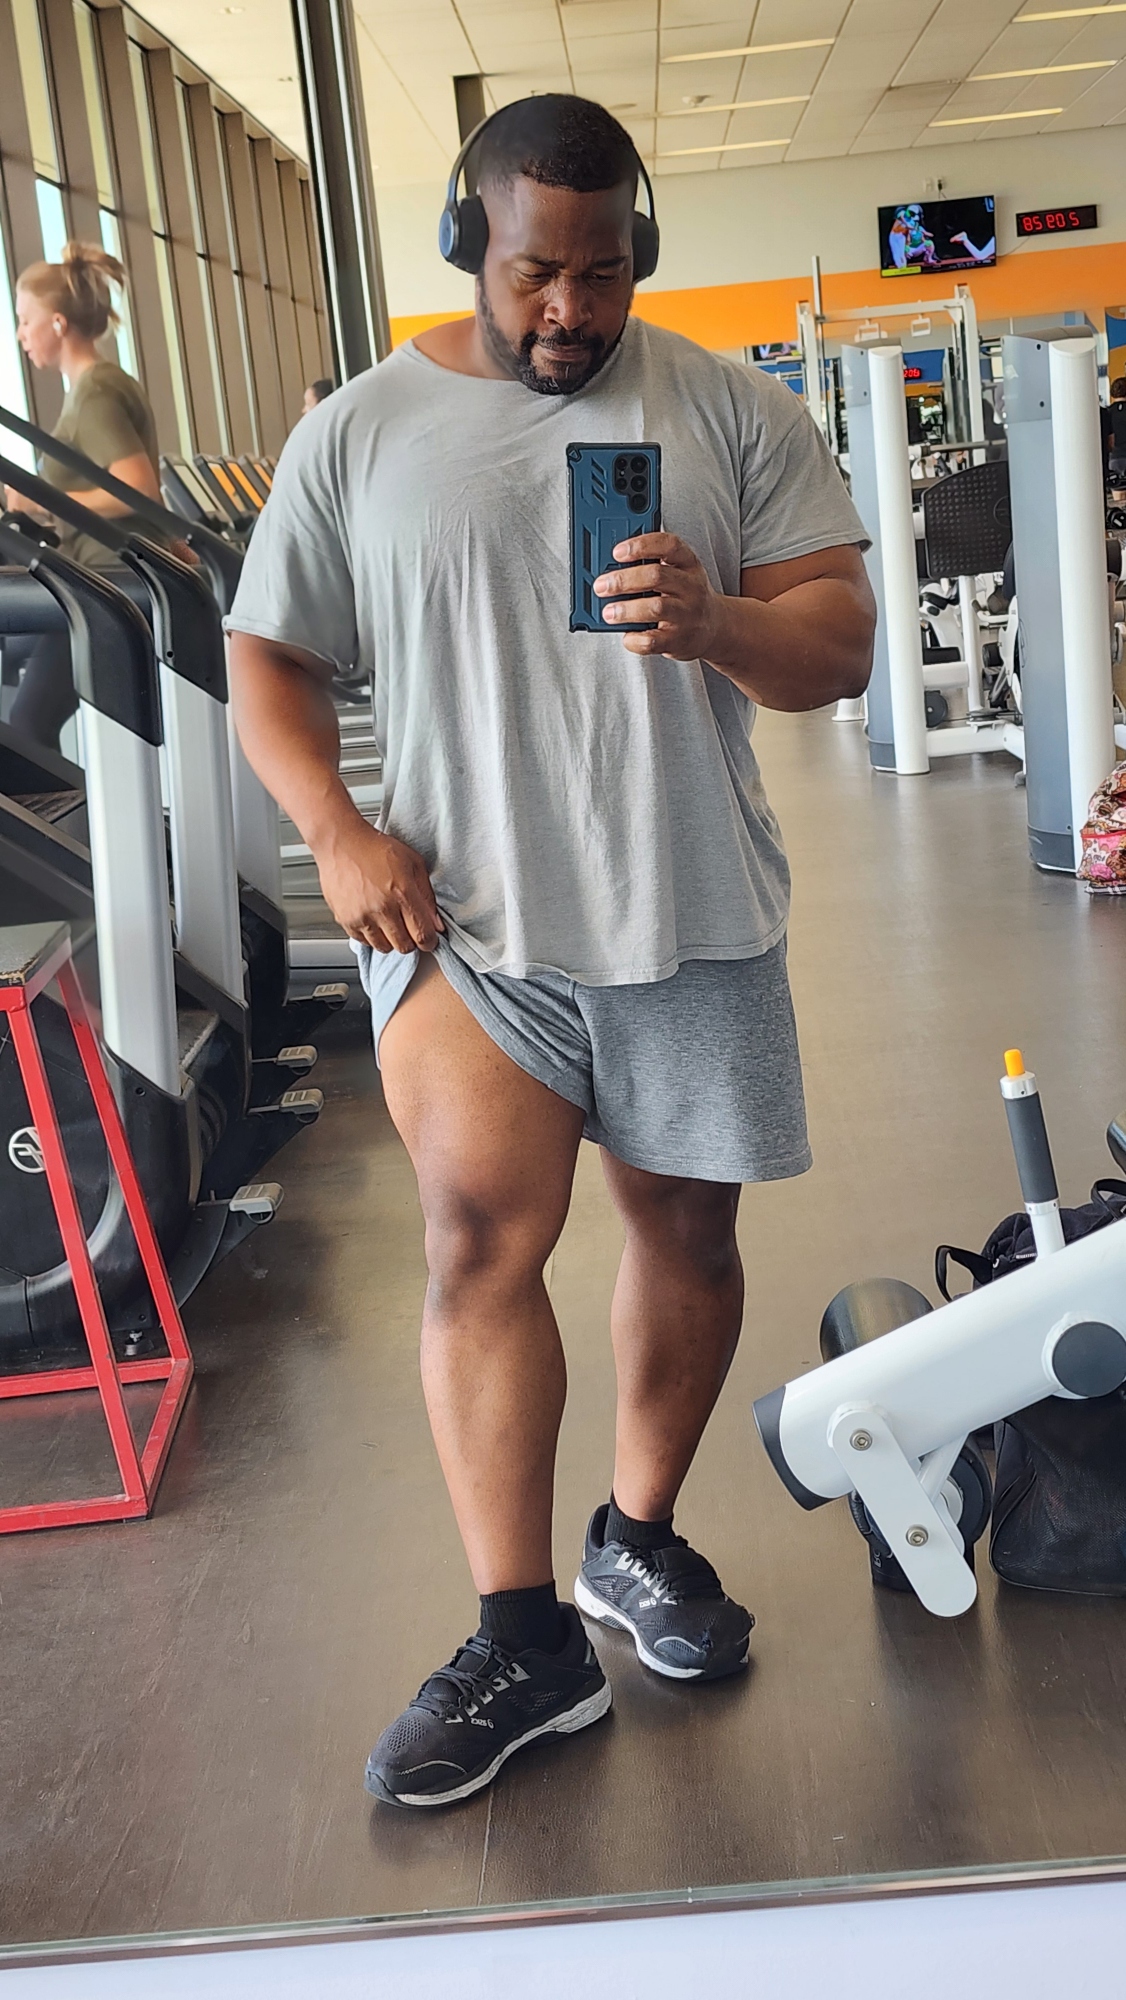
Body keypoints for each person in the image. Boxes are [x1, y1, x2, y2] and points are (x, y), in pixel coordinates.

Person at [227, 94, 875, 1810]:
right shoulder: (359, 434)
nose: (567, 309)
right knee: (475, 1243)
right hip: (470, 926)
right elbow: (267, 662)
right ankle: (521, 1640)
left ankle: (633, 1538)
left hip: (692, 908)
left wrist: (722, 622)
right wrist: (338, 833)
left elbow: (840, 645)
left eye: (600, 274)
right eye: (534, 273)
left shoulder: (728, 409)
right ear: (470, 244)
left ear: (636, 254)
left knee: (688, 1237)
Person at [3, 242, 168, 750]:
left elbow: (138, 489)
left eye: (25, 320)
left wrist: (39, 501)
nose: (20, 334)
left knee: (29, 725)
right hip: (108, 574)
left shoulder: (95, 392)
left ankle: (73, 807)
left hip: (107, 581)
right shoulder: (96, 385)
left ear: (57, 323)